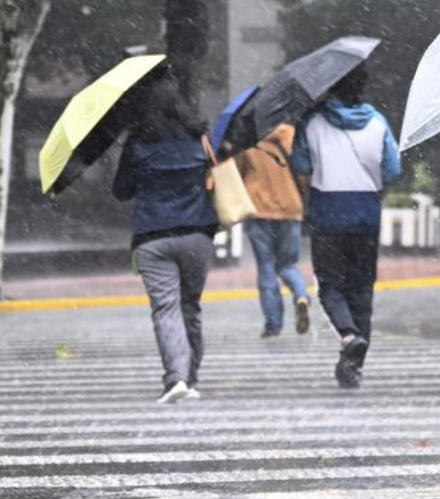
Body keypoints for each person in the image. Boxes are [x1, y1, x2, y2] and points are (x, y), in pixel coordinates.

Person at [289, 66, 401, 390]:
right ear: (363, 87)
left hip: (327, 215)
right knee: (362, 290)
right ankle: (353, 365)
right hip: (366, 213)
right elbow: (392, 169)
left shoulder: (312, 122)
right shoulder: (378, 122)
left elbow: (300, 165)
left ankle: (348, 335)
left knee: (331, 287)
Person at [112, 74, 218, 405]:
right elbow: (213, 175)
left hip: (153, 238)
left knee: (166, 308)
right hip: (196, 235)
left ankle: (177, 378)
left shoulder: (138, 141)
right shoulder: (198, 136)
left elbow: (121, 191)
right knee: (190, 306)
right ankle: (191, 376)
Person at [234, 124, 311, 339]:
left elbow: (236, 175)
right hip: (291, 209)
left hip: (260, 211)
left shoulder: (247, 139)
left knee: (266, 267)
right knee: (288, 264)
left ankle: (273, 326)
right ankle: (301, 295)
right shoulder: (291, 136)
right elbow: (305, 173)